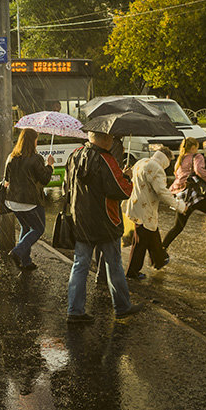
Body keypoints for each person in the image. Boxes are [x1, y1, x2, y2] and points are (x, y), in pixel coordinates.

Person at [63, 131, 141, 323]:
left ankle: (75, 310)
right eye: (111, 138)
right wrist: (127, 177)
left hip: (80, 220)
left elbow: (67, 186)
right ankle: (122, 306)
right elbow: (122, 190)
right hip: (106, 222)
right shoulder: (107, 160)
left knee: (80, 264)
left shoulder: (75, 154)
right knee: (113, 264)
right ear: (105, 139)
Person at [124, 147, 186, 280]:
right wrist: (178, 205)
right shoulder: (157, 169)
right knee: (140, 241)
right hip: (146, 210)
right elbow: (162, 192)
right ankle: (132, 272)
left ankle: (159, 260)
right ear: (166, 159)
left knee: (151, 233)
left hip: (136, 205)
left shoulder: (142, 161)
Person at [3, 128, 54, 271]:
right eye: (36, 139)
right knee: (38, 228)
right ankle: (17, 252)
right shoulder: (36, 158)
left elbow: (7, 179)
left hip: (13, 201)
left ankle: (26, 262)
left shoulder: (12, 157)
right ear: (32, 141)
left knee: (26, 227)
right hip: (30, 202)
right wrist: (49, 165)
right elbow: (45, 179)